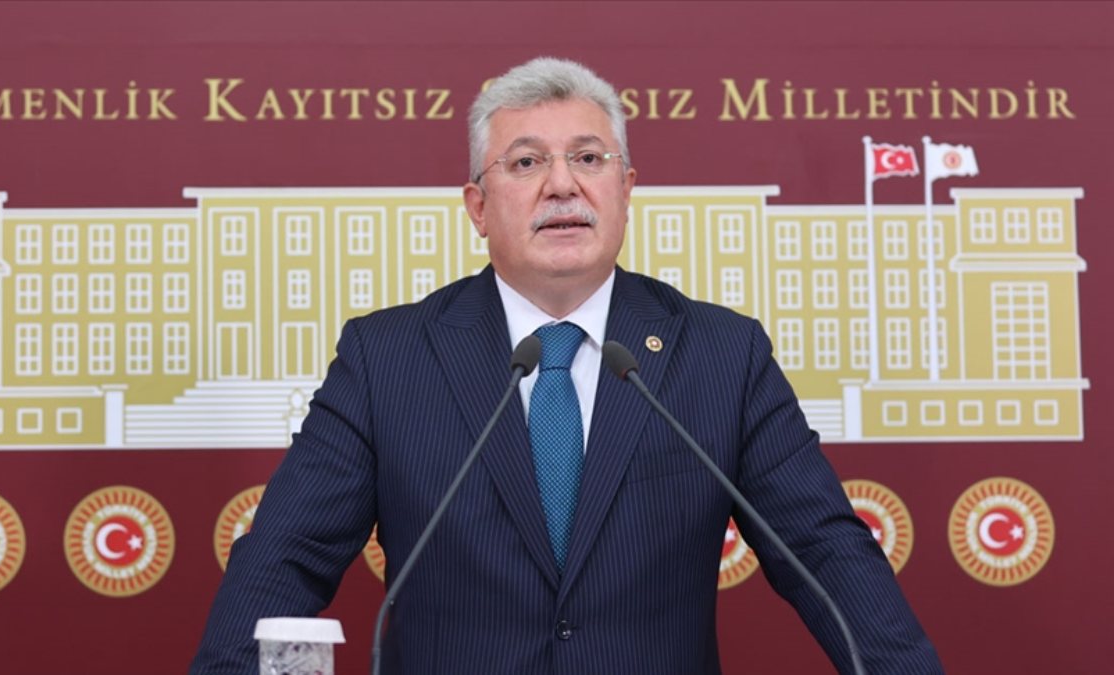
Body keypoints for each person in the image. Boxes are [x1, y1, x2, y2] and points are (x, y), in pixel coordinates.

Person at [191, 57, 943, 674]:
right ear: (478, 206)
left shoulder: (722, 354)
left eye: (588, 158)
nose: (562, 184)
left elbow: (825, 552)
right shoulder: (387, 358)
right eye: (526, 162)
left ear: (625, 189)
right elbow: (285, 556)